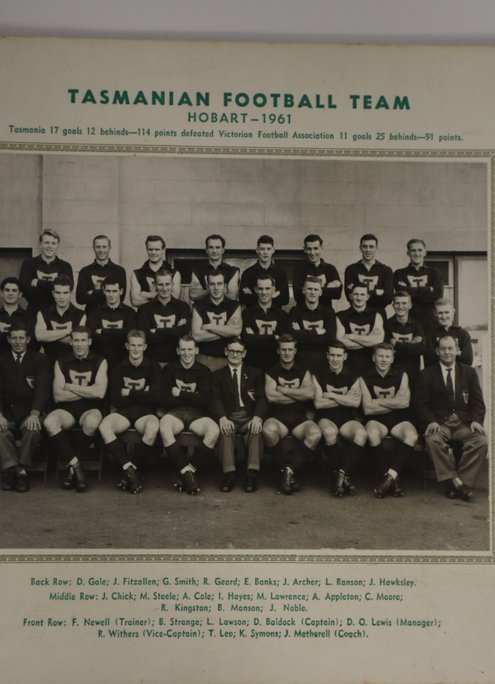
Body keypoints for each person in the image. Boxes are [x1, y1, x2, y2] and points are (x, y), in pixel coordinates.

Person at [414, 334, 487, 501]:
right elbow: (420, 404)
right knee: (432, 440)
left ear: (458, 351)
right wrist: (431, 421)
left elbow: (478, 403)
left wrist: (476, 420)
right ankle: (456, 481)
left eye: (450, 348)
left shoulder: (469, 372)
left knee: (481, 441)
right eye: (443, 349)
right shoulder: (426, 374)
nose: (447, 352)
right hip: (440, 423)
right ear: (437, 352)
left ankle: (461, 481)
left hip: (463, 423)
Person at [43, 327, 108, 492]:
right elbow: (58, 395)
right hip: (66, 410)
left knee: (92, 423)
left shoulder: (100, 361)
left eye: (83, 340)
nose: (79, 344)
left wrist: (70, 386)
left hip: (91, 408)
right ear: (71, 341)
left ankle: (71, 471)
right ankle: (76, 467)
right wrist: (88, 391)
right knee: (50, 422)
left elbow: (100, 394)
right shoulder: (61, 361)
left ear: (90, 341)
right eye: (76, 340)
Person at [98, 330, 161, 494]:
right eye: (132, 345)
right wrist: (143, 393)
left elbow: (155, 398)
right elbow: (116, 399)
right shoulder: (119, 366)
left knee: (153, 428)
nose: (135, 349)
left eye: (139, 345)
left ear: (145, 347)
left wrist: (130, 393)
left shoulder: (153, 366)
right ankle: (130, 469)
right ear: (127, 346)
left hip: (145, 413)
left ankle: (130, 470)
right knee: (105, 427)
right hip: (123, 412)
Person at [158, 336, 219, 495]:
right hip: (175, 413)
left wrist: (179, 393)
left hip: (197, 415)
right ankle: (187, 472)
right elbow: (164, 400)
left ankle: (187, 471)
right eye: (183, 349)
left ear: (196, 351)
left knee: (213, 431)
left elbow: (205, 401)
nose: (186, 353)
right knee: (164, 427)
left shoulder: (204, 371)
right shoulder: (169, 370)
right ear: (178, 350)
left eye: (190, 349)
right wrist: (193, 396)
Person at [263, 335, 321, 495]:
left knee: (315, 434)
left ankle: (288, 470)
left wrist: (284, 390)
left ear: (295, 351)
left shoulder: (304, 371)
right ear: (278, 351)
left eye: (290, 349)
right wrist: (297, 394)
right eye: (283, 350)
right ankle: (286, 472)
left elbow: (309, 394)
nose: (287, 353)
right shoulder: (271, 371)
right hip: (277, 417)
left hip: (299, 418)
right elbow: (271, 397)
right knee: (268, 431)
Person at [359, 343, 418, 498]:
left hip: (400, 419)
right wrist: (394, 403)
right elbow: (367, 409)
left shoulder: (402, 374)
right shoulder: (364, 377)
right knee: (372, 433)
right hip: (376, 419)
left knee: (412, 435)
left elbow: (404, 403)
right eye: (380, 356)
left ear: (392, 359)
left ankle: (389, 478)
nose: (383, 360)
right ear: (373, 358)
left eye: (387, 356)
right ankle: (392, 481)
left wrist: (377, 402)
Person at [211, 338, 266, 493]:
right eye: (232, 351)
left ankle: (252, 474)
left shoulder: (255, 373)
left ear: (244, 354)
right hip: (230, 416)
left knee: (256, 430)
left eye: (238, 352)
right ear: (226, 352)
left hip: (248, 416)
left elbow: (262, 398)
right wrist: (222, 418)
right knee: (225, 430)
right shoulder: (217, 375)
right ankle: (229, 474)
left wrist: (257, 417)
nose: (235, 355)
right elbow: (215, 399)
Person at [0, 324, 50, 492]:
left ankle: (21, 470)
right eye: (14, 338)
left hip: (30, 411)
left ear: (28, 339)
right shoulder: (2, 360)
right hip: (7, 412)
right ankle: (10, 470)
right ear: (8, 339)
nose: (18, 342)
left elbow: (42, 389)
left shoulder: (40, 360)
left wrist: (35, 414)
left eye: (21, 338)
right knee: (1, 431)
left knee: (32, 429)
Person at [313, 341, 367, 497]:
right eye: (332, 355)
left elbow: (355, 402)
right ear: (327, 356)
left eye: (338, 355)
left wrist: (330, 395)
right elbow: (318, 404)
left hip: (346, 418)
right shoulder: (317, 375)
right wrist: (345, 398)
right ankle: (344, 478)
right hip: (325, 418)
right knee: (329, 432)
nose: (335, 359)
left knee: (362, 434)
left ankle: (340, 475)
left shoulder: (354, 376)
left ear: (345, 356)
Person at [136, 268, 191, 365]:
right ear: (155, 285)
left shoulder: (183, 307)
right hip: (151, 362)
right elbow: (146, 337)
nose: (164, 288)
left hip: (177, 363)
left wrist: (157, 330)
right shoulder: (145, 309)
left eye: (167, 284)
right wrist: (175, 330)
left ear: (172, 285)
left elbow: (184, 332)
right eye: (161, 284)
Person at [191, 270, 242, 371]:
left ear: (225, 286)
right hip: (204, 358)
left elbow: (236, 331)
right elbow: (196, 335)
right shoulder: (199, 306)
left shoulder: (234, 305)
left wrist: (210, 327)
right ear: (207, 286)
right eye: (212, 284)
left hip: (228, 359)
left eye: (219, 284)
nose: (216, 288)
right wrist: (227, 331)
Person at [286, 275, 337, 372]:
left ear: (320, 292)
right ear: (303, 290)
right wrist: (316, 332)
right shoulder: (295, 311)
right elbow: (291, 336)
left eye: (316, 289)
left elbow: (330, 337)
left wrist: (301, 333)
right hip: (300, 363)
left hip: (323, 363)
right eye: (309, 289)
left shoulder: (328, 312)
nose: (312, 292)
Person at [86, 276, 137, 369]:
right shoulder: (95, 312)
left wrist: (103, 331)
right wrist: (119, 335)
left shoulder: (129, 312)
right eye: (108, 291)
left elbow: (130, 335)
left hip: (123, 362)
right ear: (103, 291)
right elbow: (92, 336)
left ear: (121, 291)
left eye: (114, 291)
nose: (111, 295)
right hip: (99, 361)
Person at [19, 229, 74, 313]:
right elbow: (24, 290)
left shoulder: (65, 266)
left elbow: (67, 289)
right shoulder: (28, 264)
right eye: (46, 242)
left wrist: (38, 283)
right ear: (40, 244)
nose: (50, 246)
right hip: (34, 312)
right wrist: (53, 288)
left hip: (58, 314)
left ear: (57, 245)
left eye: (53, 243)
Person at [393, 238, 443, 332]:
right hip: (408, 320)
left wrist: (409, 291)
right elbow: (401, 294)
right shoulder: (399, 273)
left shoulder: (434, 273)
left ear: (425, 252)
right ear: (408, 253)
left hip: (430, 321)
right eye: (413, 250)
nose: (417, 253)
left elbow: (438, 295)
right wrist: (427, 289)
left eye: (420, 250)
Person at [35, 275, 86, 364]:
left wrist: (49, 335)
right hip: (48, 361)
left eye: (65, 293)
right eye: (58, 293)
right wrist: (67, 332)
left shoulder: (80, 314)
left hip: (72, 362)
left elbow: (76, 340)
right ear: (53, 293)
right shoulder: (43, 313)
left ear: (70, 293)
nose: (62, 297)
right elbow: (39, 336)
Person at [242, 273, 288, 371]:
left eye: (267, 288)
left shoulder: (282, 314)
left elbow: (283, 341)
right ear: (255, 290)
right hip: (252, 365)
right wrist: (274, 337)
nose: (264, 292)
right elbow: (247, 340)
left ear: (273, 290)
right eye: (260, 289)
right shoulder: (247, 314)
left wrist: (255, 337)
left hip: (275, 366)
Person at [336, 283, 384, 375]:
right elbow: (341, 343)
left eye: (362, 294)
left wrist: (352, 336)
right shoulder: (340, 316)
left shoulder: (376, 315)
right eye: (356, 294)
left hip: (371, 365)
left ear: (367, 297)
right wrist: (370, 341)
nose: (359, 298)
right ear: (350, 296)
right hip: (348, 365)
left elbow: (378, 340)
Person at [76, 234, 127, 313]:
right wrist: (107, 295)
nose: (101, 250)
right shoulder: (85, 271)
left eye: (104, 247)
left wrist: (93, 292)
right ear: (94, 248)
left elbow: (121, 297)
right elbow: (80, 298)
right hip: (91, 315)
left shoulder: (119, 271)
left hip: (113, 315)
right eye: (98, 247)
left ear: (109, 248)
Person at [344, 233, 394, 314]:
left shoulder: (386, 270)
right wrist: (377, 292)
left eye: (371, 247)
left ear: (376, 248)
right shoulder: (351, 269)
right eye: (365, 246)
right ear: (360, 248)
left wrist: (361, 295)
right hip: (357, 314)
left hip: (379, 313)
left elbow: (388, 298)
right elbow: (349, 296)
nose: (368, 250)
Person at [292, 234, 342, 309]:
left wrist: (309, 289)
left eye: (315, 248)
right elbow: (298, 295)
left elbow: (337, 294)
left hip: (325, 312)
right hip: (303, 312)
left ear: (321, 248)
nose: (312, 253)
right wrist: (326, 287)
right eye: (309, 249)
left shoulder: (330, 269)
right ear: (304, 249)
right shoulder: (299, 269)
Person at [384, 290, 426, 381]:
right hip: (392, 372)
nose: (400, 306)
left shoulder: (417, 325)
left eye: (404, 303)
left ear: (410, 305)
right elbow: (387, 349)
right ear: (393, 305)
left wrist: (396, 345)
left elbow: (422, 349)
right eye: (397, 303)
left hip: (413, 372)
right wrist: (411, 344)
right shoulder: (387, 324)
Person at [239, 235, 289, 309]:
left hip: (275, 314)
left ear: (273, 250)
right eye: (262, 249)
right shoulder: (248, 273)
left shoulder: (280, 272)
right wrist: (273, 295)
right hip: (253, 314)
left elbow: (284, 299)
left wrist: (253, 294)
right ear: (257, 250)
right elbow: (243, 299)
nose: (265, 252)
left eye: (268, 249)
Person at [130, 235, 181, 307]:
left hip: (168, 315)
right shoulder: (137, 274)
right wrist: (162, 296)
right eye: (150, 249)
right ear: (147, 250)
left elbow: (175, 298)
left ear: (163, 250)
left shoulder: (174, 273)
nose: (153, 252)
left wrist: (146, 294)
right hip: (144, 317)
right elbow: (135, 301)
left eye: (157, 249)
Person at [189, 234, 239, 302]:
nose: (214, 251)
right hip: (202, 310)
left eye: (217, 247)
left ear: (223, 250)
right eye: (211, 247)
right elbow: (193, 295)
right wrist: (222, 291)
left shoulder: (232, 270)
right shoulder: (197, 270)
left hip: (226, 310)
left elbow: (232, 296)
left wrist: (205, 291)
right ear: (206, 250)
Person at [424, 298, 473, 367]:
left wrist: (440, 354)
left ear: (453, 312)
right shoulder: (430, 334)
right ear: (435, 313)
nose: (444, 316)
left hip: (458, 374)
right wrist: (456, 353)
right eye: (440, 313)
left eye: (447, 312)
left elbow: (468, 360)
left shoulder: (462, 334)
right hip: (436, 374)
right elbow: (429, 360)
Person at [0, 277, 35, 353]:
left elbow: (31, 343)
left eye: (14, 290)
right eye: (7, 290)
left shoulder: (28, 317)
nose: (10, 293)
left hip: (19, 361)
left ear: (20, 294)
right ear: (1, 293)